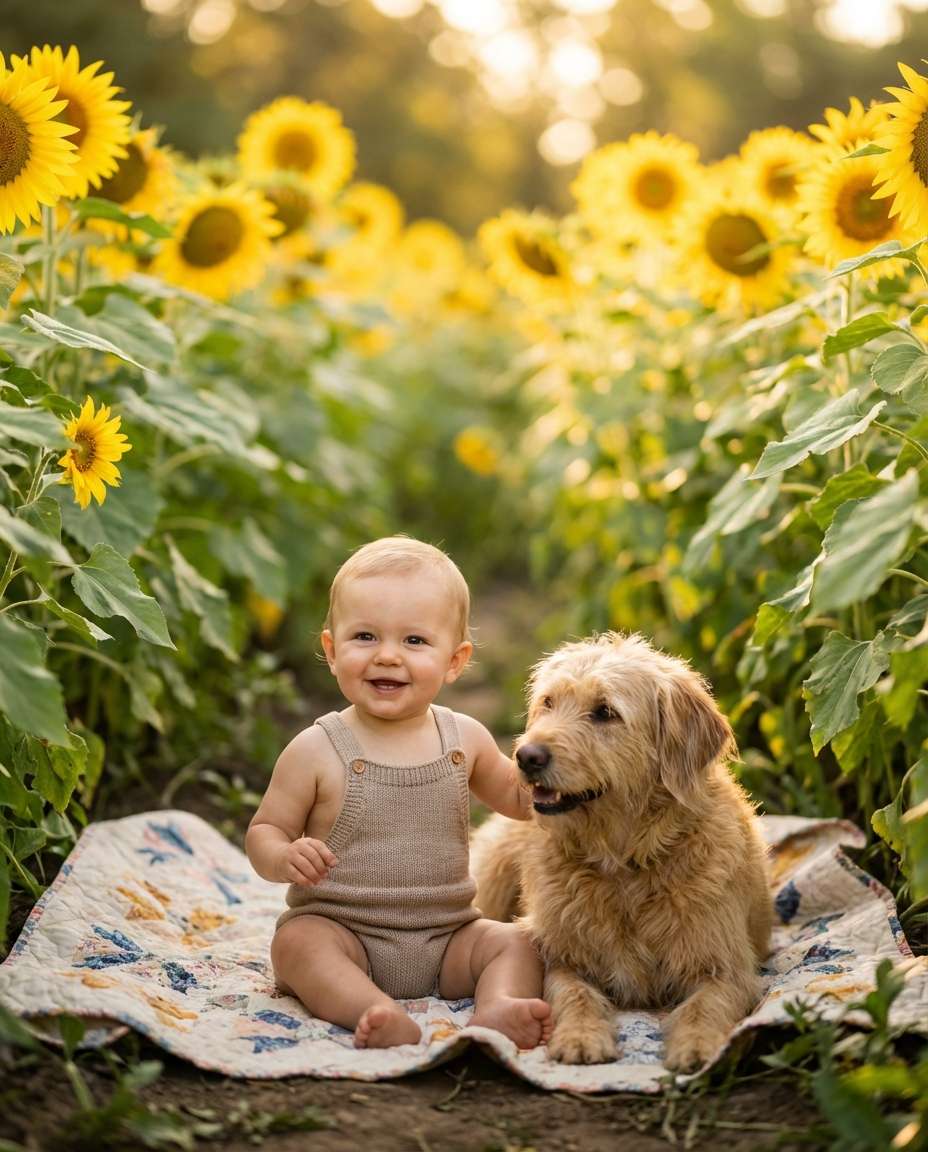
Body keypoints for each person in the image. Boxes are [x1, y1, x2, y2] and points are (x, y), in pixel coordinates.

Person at [245, 536, 552, 1051]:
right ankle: (372, 1009)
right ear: (331, 650)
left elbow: (524, 803)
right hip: (346, 932)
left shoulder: (465, 740)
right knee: (296, 944)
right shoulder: (317, 749)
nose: (387, 656)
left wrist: (572, 775)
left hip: (448, 935)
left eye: (414, 642)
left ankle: (496, 1008)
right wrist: (283, 855)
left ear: (454, 661)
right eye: (365, 636)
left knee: (520, 941)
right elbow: (264, 830)